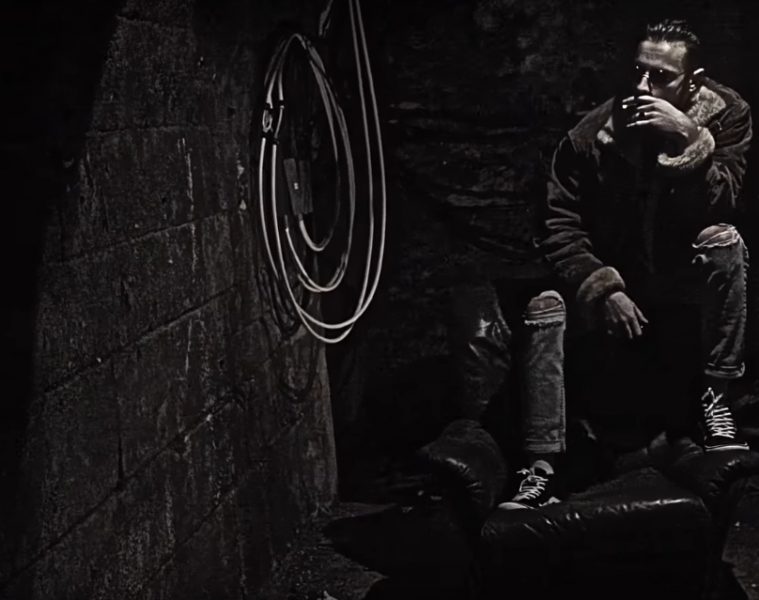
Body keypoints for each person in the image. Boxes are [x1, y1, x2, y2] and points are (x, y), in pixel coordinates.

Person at [499, 18, 753, 510]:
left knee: (724, 240)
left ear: (693, 82)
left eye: (661, 76)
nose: (642, 86)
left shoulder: (727, 114)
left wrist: (690, 139)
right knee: (544, 306)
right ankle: (540, 469)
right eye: (638, 71)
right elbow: (557, 223)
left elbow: (725, 202)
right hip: (617, 274)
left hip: (678, 273)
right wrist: (603, 287)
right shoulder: (591, 134)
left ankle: (716, 398)